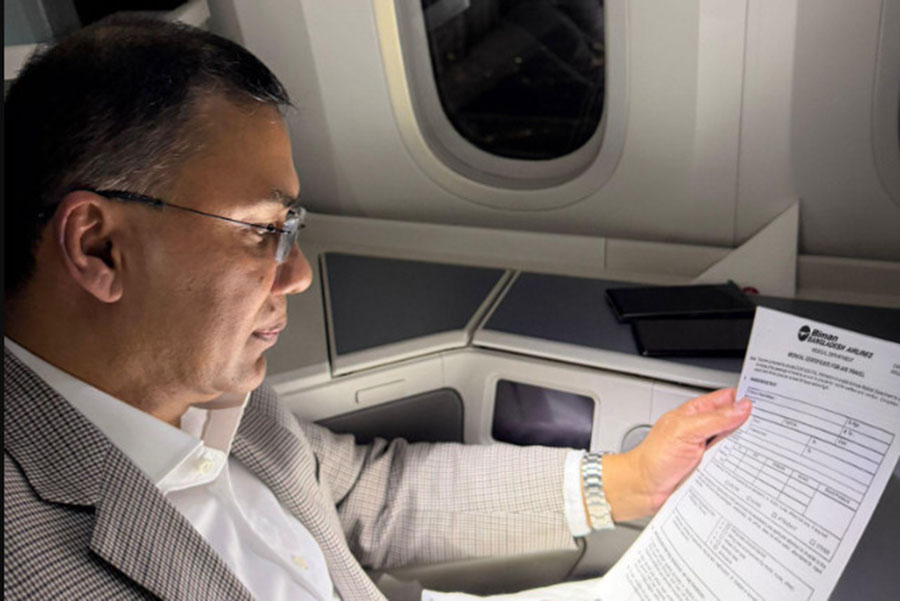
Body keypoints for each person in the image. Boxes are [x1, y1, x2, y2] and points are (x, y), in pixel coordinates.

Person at [3, 17, 752, 601]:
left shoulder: (207, 392)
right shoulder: (29, 561)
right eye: (263, 231)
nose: (298, 274)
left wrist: (628, 480)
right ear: (99, 248)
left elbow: (364, 493)